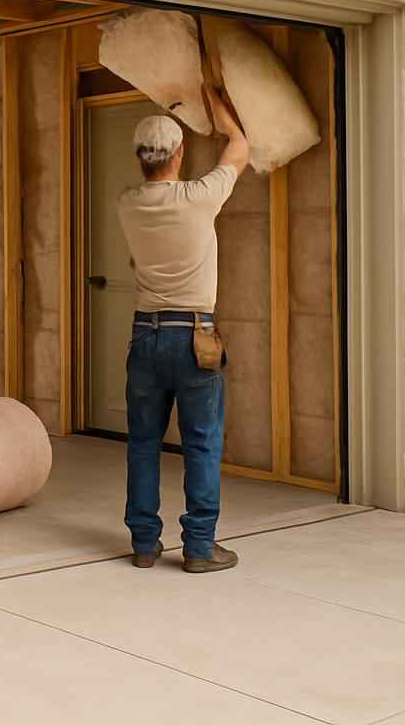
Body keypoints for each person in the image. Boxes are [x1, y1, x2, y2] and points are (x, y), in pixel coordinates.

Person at [116, 88, 250, 573]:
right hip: (194, 339)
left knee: (144, 443)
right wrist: (217, 102)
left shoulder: (128, 203)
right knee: (201, 443)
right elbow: (241, 147)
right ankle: (198, 547)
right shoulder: (199, 198)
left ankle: (145, 545)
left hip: (145, 336)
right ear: (180, 153)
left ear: (139, 158)